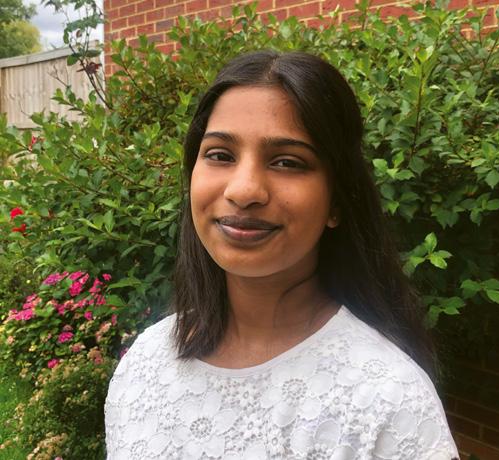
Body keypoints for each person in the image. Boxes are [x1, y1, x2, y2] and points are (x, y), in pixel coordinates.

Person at [105, 50, 459, 459]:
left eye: (287, 162)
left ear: (337, 201)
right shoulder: (147, 362)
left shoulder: (389, 403)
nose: (243, 190)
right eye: (220, 155)